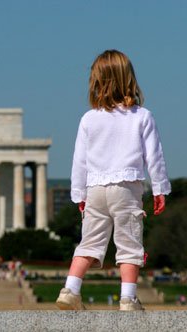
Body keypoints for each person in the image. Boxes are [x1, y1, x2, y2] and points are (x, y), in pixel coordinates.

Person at [55, 50, 171, 311]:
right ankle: (128, 298)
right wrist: (160, 188)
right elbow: (155, 157)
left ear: (96, 82)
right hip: (126, 188)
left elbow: (79, 162)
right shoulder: (142, 116)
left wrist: (79, 196)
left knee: (89, 243)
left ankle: (70, 290)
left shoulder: (89, 119)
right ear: (129, 79)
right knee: (129, 242)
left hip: (95, 189)